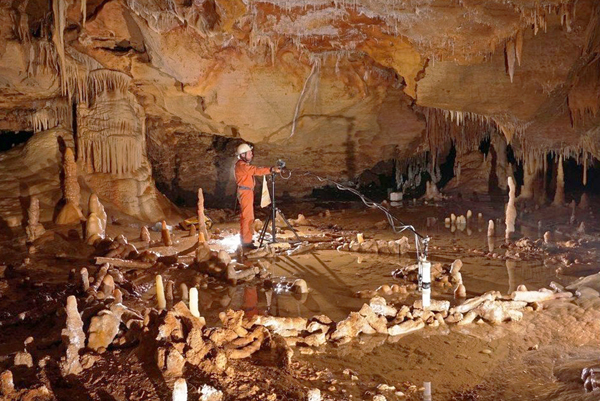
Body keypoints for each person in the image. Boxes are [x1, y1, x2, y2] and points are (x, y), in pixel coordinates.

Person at [234, 143, 280, 250]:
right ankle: (247, 241)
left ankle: (245, 238)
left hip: (246, 192)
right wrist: (271, 169)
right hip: (245, 193)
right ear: (243, 155)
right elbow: (255, 170)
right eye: (249, 153)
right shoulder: (242, 165)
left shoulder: (240, 165)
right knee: (248, 217)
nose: (252, 155)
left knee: (245, 216)